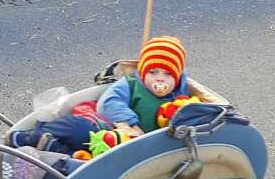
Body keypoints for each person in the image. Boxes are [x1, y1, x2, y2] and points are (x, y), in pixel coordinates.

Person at [11, 36, 195, 155]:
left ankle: (59, 150)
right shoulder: (132, 83)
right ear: (143, 72)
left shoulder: (179, 98)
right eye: (153, 72)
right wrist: (129, 123)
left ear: (177, 76)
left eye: (168, 74)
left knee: (88, 146)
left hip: (133, 148)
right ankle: (36, 137)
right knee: (77, 126)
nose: (160, 79)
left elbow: (188, 117)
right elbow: (109, 101)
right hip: (110, 129)